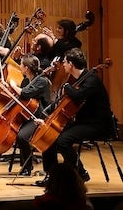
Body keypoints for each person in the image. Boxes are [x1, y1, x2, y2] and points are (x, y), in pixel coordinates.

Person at [40, 48, 113, 183]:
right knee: (49, 138)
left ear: (71, 64)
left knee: (63, 142)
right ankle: (51, 176)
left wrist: (67, 86)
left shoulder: (91, 79)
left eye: (65, 62)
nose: (64, 65)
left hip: (97, 124)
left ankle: (80, 173)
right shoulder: (80, 79)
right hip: (83, 121)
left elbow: (78, 96)